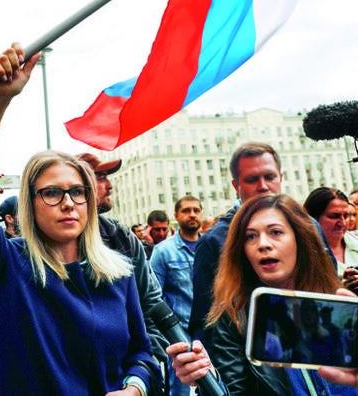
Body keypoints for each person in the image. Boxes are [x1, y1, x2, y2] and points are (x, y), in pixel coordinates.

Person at [0, 43, 162, 395]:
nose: (68, 203)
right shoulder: (7, 265)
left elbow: (140, 353)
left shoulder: (119, 273)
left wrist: (134, 388)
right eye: (52, 193)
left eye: (77, 192)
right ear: (30, 205)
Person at [169, 194, 350, 395]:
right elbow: (235, 391)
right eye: (250, 236)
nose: (263, 244)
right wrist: (211, 380)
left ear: (301, 238)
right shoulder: (234, 318)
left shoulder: (340, 304)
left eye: (275, 232)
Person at [188, 142, 336, 346]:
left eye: (269, 177)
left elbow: (329, 290)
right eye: (252, 179)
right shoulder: (214, 241)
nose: (263, 186)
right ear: (236, 186)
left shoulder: (309, 226)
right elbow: (205, 323)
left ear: (280, 178)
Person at [77, 152, 169, 364]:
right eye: (101, 177)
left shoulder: (122, 238)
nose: (109, 185)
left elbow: (151, 302)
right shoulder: (50, 242)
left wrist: (147, 364)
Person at [150, 195, 202, 396]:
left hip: (208, 335)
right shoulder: (163, 252)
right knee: (181, 391)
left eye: (196, 210)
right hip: (180, 338)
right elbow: (154, 298)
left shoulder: (210, 247)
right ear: (176, 216)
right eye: (186, 210)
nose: (192, 215)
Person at [304, 187, 358, 292]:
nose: (342, 223)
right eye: (334, 216)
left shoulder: (355, 241)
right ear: (313, 218)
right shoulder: (303, 254)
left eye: (346, 216)